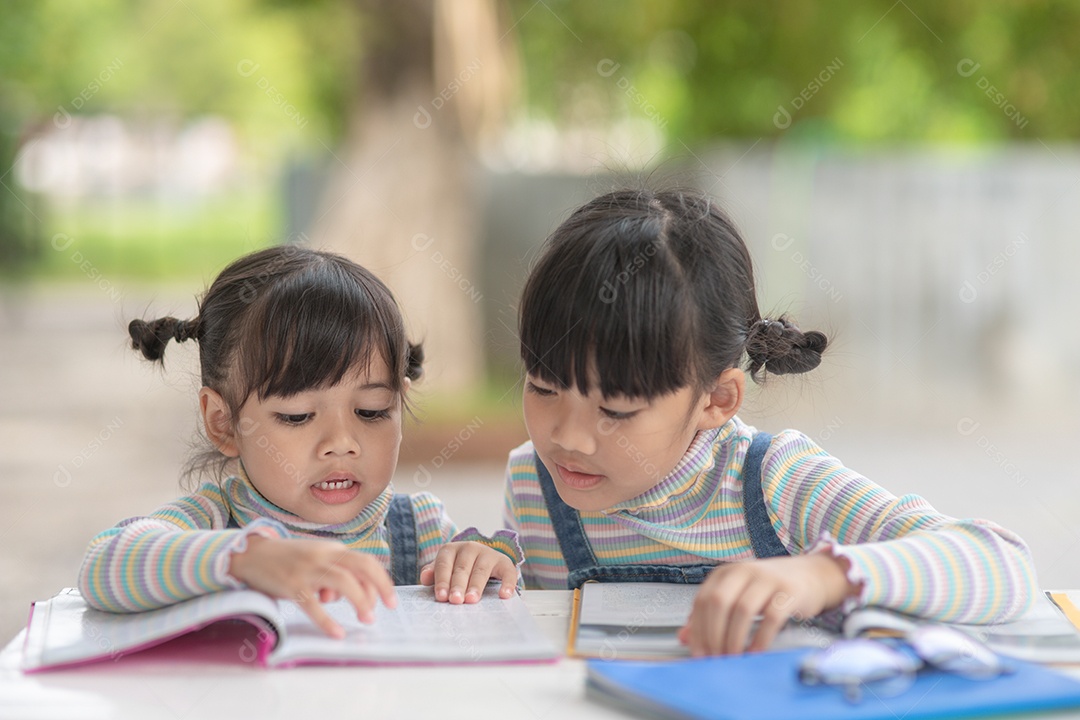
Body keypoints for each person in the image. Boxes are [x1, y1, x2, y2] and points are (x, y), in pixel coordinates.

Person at [503, 188, 1038, 656]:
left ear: (718, 399)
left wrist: (825, 575)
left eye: (616, 411)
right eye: (543, 388)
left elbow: (1002, 565)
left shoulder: (772, 482)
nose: (567, 437)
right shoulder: (536, 483)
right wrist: (489, 560)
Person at [79, 246, 521, 638]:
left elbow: (492, 597)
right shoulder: (215, 520)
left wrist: (480, 562)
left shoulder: (418, 528)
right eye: (297, 416)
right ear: (224, 423)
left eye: (371, 411)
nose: (342, 443)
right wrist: (243, 560)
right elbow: (102, 566)